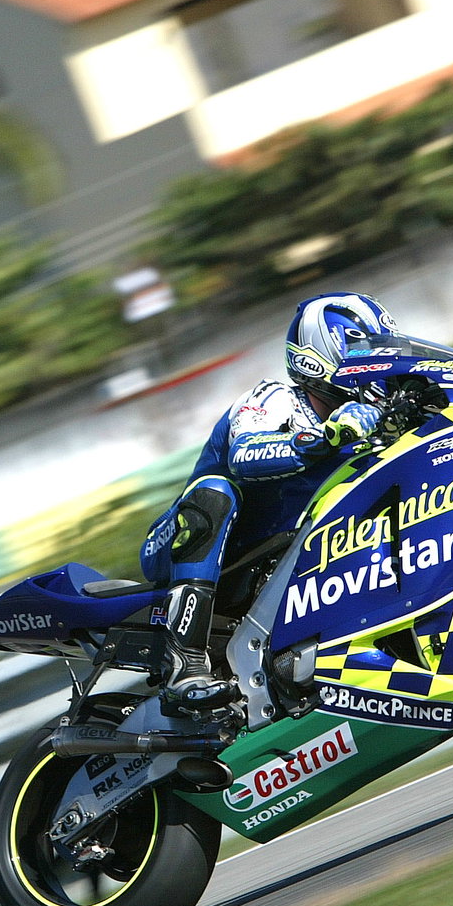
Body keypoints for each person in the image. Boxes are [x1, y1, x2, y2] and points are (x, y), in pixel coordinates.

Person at [140, 292, 399, 713]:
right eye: (361, 346)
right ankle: (182, 664)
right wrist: (324, 438)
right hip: (179, 542)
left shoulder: (369, 424)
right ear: (322, 351)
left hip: (268, 568)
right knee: (214, 493)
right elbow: (244, 457)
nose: (373, 359)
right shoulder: (274, 398)